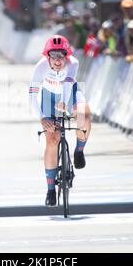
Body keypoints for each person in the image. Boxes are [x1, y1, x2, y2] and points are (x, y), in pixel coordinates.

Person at [29, 35, 92, 207]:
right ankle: (50, 190)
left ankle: (79, 150)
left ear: (67, 56)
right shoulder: (40, 67)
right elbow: (32, 96)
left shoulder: (74, 63)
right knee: (52, 139)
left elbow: (68, 84)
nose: (58, 60)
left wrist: (64, 103)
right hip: (49, 97)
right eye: (54, 55)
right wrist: (42, 118)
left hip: (69, 92)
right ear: (47, 56)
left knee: (84, 116)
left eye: (61, 55)